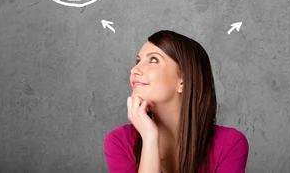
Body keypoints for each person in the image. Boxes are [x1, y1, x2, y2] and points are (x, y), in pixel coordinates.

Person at [103, 30, 249, 173]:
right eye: (138, 61)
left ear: (183, 81)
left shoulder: (230, 144)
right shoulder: (119, 141)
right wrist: (149, 138)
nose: (134, 69)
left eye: (153, 60)